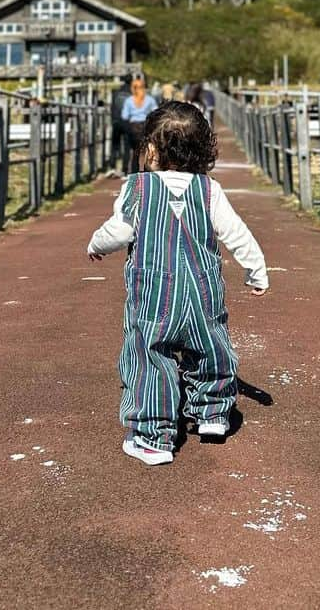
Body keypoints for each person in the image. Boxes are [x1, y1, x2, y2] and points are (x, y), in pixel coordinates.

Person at [86, 101, 269, 466]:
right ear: (203, 149)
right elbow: (237, 234)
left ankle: (154, 436)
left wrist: (95, 244)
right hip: (203, 291)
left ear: (150, 148)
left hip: (154, 293)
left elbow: (119, 230)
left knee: (150, 354)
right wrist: (256, 271)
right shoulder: (209, 190)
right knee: (210, 347)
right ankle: (213, 414)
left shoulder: (137, 188)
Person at [120, 75, 157, 175]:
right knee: (146, 152)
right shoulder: (150, 100)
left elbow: (124, 116)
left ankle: (134, 173)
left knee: (135, 153)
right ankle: (146, 174)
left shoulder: (128, 101)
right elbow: (155, 112)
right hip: (145, 128)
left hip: (133, 129)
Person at [110, 74, 132, 174]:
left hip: (116, 121)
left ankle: (112, 167)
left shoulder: (116, 93)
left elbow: (112, 107)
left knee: (115, 145)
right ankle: (124, 169)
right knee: (127, 147)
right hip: (127, 123)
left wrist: (113, 119)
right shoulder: (132, 94)